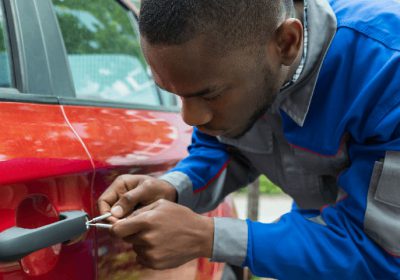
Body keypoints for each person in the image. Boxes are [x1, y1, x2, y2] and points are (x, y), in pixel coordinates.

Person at [98, 0, 400, 278]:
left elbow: (379, 251)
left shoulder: (386, 73)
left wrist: (208, 236)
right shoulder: (241, 63)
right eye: (176, 94)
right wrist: (172, 187)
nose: (190, 118)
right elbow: (224, 145)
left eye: (209, 94)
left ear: (286, 43)